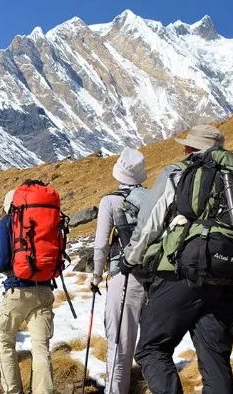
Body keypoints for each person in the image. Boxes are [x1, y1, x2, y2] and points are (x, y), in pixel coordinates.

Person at [122, 125, 233, 394]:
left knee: (152, 349)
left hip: (180, 274)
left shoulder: (179, 171)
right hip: (228, 277)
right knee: (215, 358)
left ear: (190, 149)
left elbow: (150, 222)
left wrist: (130, 259)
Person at [0, 188, 55, 394]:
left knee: (5, 343)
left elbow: (0, 261)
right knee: (41, 349)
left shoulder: (7, 223)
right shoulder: (44, 220)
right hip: (45, 291)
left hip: (17, 291)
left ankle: (13, 391)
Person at [89, 148, 148, 394]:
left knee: (119, 343)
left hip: (124, 277)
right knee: (151, 343)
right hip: (155, 277)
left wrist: (96, 274)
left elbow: (102, 242)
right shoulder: (152, 196)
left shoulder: (110, 201)